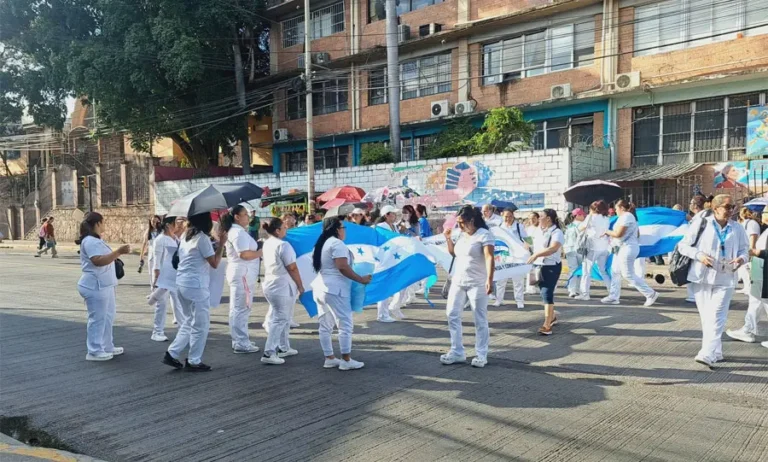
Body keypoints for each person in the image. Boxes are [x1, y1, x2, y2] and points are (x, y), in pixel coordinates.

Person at [678, 194, 748, 368]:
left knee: (717, 314)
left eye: (732, 207)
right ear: (715, 208)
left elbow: (745, 250)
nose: (731, 210)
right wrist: (699, 255)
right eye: (727, 207)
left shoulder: (737, 228)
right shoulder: (702, 224)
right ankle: (717, 351)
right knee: (707, 317)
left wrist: (741, 259)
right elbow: (683, 246)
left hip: (726, 277)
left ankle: (706, 353)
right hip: (702, 276)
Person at [162, 212, 226, 372]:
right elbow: (215, 263)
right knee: (201, 325)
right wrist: (222, 244)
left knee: (189, 321)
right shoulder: (202, 239)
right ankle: (194, 360)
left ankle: (172, 352)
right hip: (196, 286)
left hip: (182, 283)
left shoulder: (186, 236)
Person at [311, 216, 372, 370]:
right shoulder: (337, 244)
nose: (345, 230)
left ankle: (329, 357)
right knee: (345, 324)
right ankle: (346, 360)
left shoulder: (322, 243)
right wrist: (361, 279)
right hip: (335, 289)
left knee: (325, 325)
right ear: (337, 229)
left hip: (321, 287)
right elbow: (342, 267)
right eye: (343, 227)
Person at [441, 205, 494, 367]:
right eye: (457, 222)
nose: (459, 225)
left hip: (477, 282)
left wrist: (490, 280)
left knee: (479, 319)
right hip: (458, 280)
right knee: (452, 314)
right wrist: (448, 238)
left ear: (471, 220)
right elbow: (454, 253)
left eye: (462, 222)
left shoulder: (485, 235)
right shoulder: (460, 234)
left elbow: (489, 258)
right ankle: (457, 351)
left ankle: (481, 354)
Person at [77, 212, 131, 361]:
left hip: (105, 285)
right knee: (98, 318)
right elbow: (98, 260)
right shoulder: (90, 241)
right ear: (98, 223)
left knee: (108, 317)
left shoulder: (96, 240)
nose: (105, 225)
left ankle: (107, 346)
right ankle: (94, 351)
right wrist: (118, 252)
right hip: (95, 286)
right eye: (104, 222)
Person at [260, 218, 305, 365]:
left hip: (272, 283)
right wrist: (300, 285)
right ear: (277, 230)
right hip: (281, 285)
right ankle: (269, 351)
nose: (286, 229)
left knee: (283, 317)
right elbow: (292, 267)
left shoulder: (268, 243)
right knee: (280, 318)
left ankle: (284, 347)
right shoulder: (283, 245)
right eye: (284, 227)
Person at [221, 205, 263, 354]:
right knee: (242, 307)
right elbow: (244, 254)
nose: (248, 217)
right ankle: (241, 342)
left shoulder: (237, 231)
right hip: (242, 273)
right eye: (245, 214)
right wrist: (259, 252)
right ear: (237, 217)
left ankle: (238, 339)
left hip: (240, 272)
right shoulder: (237, 233)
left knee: (236, 308)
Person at [603, 200, 659, 307]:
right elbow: (636, 234)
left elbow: (618, 234)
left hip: (627, 248)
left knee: (628, 274)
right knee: (615, 271)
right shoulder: (625, 217)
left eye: (616, 208)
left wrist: (607, 232)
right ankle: (614, 296)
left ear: (622, 208)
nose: (615, 210)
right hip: (621, 248)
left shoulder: (627, 216)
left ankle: (650, 294)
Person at [527, 209, 564, 336]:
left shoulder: (556, 232)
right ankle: (552, 317)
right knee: (543, 293)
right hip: (538, 266)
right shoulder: (538, 230)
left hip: (551, 266)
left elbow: (553, 248)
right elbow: (531, 243)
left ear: (548, 218)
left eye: (541, 216)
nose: (538, 219)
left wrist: (536, 254)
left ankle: (547, 325)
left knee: (547, 293)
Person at [148, 216, 184, 342]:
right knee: (161, 304)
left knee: (178, 302)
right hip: (162, 276)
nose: (177, 226)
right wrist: (156, 279)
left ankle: (183, 329)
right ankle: (157, 331)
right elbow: (157, 261)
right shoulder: (160, 240)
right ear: (168, 225)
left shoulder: (174, 238)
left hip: (173, 275)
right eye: (175, 223)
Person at [576, 201, 611, 301]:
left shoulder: (591, 217)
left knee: (586, 271)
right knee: (603, 270)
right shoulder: (606, 218)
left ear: (593, 209)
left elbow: (581, 227)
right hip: (604, 247)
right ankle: (611, 290)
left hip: (592, 247)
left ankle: (585, 294)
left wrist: (589, 217)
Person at [495, 208, 527, 308]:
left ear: (513, 216)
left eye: (510, 216)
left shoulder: (519, 226)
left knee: (518, 280)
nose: (508, 218)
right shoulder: (499, 227)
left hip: (517, 256)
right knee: (501, 279)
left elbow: (528, 239)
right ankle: (499, 300)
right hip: (504, 256)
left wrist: (526, 248)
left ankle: (519, 301)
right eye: (506, 216)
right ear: (502, 216)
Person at [374, 205, 400, 322]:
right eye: (393, 214)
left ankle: (385, 312)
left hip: (392, 260)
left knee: (388, 287)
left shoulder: (394, 226)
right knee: (384, 287)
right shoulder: (380, 227)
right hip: (383, 261)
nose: (395, 216)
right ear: (386, 215)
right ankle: (382, 314)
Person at [686, 195, 712, 303]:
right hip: (699, 250)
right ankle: (695, 295)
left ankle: (694, 296)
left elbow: (691, 236)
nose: (690, 205)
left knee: (696, 274)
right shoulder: (702, 216)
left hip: (697, 250)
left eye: (691, 203)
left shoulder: (700, 218)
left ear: (695, 205)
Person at [737, 207, 761, 296]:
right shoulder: (746, 223)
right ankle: (746, 287)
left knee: (748, 269)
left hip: (749, 248)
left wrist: (751, 248)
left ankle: (749, 288)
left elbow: (753, 235)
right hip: (745, 248)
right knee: (743, 269)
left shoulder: (751, 223)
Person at [563, 208, 586, 298]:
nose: (584, 216)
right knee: (581, 270)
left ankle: (572, 290)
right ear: (578, 216)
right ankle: (578, 289)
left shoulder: (569, 226)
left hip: (569, 250)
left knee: (573, 269)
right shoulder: (583, 225)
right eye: (582, 215)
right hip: (580, 250)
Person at [524, 212, 541, 295]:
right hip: (530, 251)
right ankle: (530, 288)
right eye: (530, 218)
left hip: (539, 252)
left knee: (538, 270)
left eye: (534, 218)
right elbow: (527, 240)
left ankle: (539, 286)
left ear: (538, 218)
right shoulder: (528, 228)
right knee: (529, 270)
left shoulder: (541, 228)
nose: (532, 220)